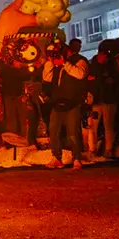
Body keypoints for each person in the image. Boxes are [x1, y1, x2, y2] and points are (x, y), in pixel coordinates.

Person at [43, 40, 89, 170]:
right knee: (53, 132)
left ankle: (77, 158)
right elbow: (46, 78)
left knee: (73, 132)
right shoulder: (56, 65)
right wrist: (50, 62)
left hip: (73, 103)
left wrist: (64, 63)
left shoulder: (80, 61)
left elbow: (80, 74)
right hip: (57, 103)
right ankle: (56, 158)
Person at [87, 41, 118, 157]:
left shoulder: (108, 66)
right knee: (94, 126)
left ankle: (107, 149)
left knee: (107, 126)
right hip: (97, 100)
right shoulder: (97, 67)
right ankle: (93, 149)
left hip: (106, 100)